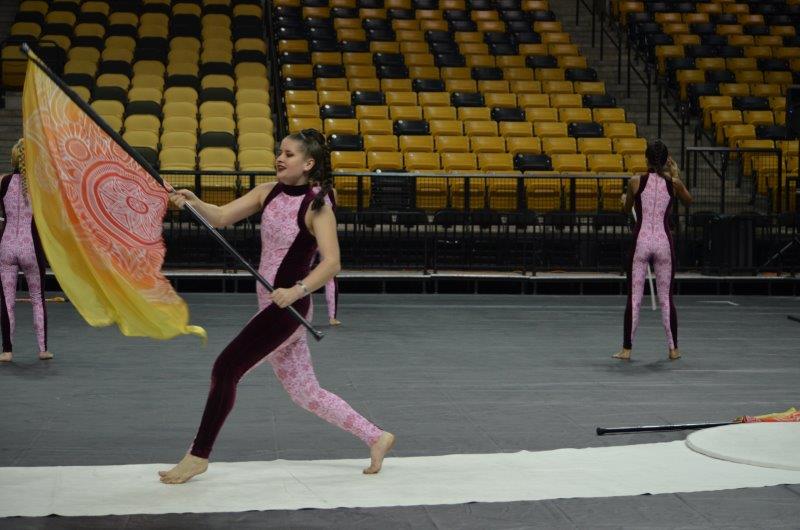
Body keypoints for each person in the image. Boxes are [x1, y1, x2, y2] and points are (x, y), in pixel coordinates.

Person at [159, 129, 394, 484]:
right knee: (306, 393)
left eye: (289, 154)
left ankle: (198, 455)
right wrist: (193, 203)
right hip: (271, 305)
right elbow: (220, 216)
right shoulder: (267, 192)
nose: (280, 159)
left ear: (308, 163)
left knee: (226, 368)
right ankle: (376, 436)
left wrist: (297, 289)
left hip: (287, 310)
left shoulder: (317, 206)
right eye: (279, 152)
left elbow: (332, 263)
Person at [614, 140, 693, 361]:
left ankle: (627, 349)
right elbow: (689, 201)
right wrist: (676, 176)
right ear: (666, 160)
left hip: (641, 242)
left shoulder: (635, 181)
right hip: (663, 243)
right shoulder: (673, 184)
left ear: (646, 159)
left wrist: (624, 201)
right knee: (666, 298)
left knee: (634, 298)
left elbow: (626, 209)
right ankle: (673, 349)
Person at [0, 138, 51, 362]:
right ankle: (42, 349)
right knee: (37, 298)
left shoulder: (3, 182)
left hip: (7, 245)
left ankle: (7, 351)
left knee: (6, 301)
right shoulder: (38, 185)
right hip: (30, 246)